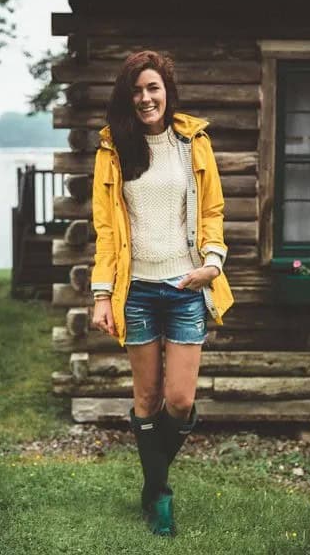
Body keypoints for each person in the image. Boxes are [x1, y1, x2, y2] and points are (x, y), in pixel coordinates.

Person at [91, 50, 234, 537]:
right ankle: (160, 495)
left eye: (153, 88)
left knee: (178, 399)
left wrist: (212, 263)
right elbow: (106, 230)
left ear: (167, 92)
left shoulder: (193, 143)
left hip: (185, 286)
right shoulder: (113, 150)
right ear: (126, 98)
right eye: (136, 91)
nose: (145, 98)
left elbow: (212, 210)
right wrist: (101, 294)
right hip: (138, 291)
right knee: (147, 397)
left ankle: (152, 483)